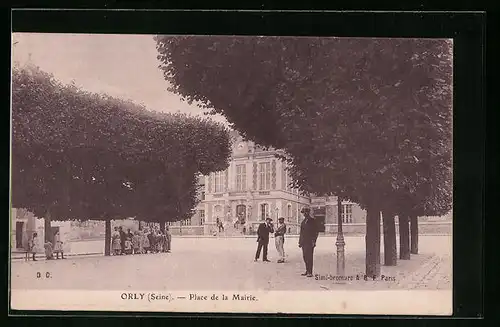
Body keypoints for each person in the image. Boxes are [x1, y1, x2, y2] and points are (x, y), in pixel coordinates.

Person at [298, 207, 319, 277]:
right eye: (303, 213)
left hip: (310, 242)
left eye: (305, 212)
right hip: (304, 242)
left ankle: (310, 272)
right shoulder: (303, 221)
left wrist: (314, 241)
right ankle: (307, 270)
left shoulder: (312, 221)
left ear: (308, 212)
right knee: (305, 256)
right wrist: (300, 242)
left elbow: (316, 232)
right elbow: (301, 233)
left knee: (309, 256)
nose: (304, 214)